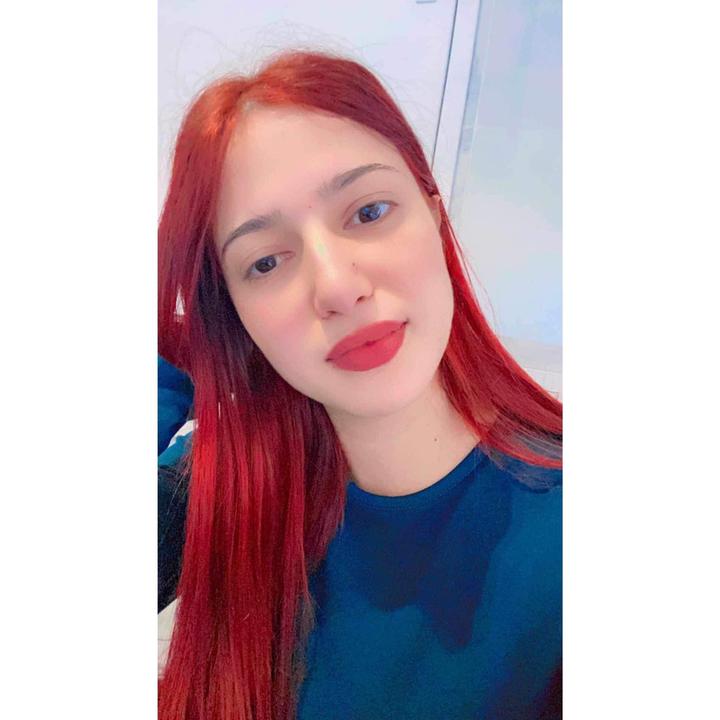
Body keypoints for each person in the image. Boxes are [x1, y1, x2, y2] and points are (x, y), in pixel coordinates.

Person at [158, 49, 562, 720]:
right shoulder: (218, 487)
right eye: (265, 262)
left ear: (435, 215)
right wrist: (176, 361)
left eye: (369, 212)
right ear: (236, 315)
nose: (338, 287)